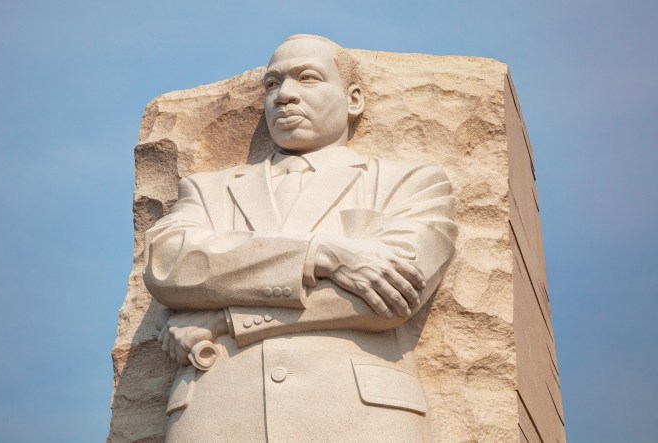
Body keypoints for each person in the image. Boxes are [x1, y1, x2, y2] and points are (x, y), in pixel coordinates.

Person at [144, 34, 456, 442]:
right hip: (219, 414)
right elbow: (170, 266)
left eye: (307, 78)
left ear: (354, 100)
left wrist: (225, 319)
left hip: (361, 417)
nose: (284, 96)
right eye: (272, 84)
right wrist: (321, 254)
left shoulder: (410, 183)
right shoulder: (208, 190)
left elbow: (390, 298)